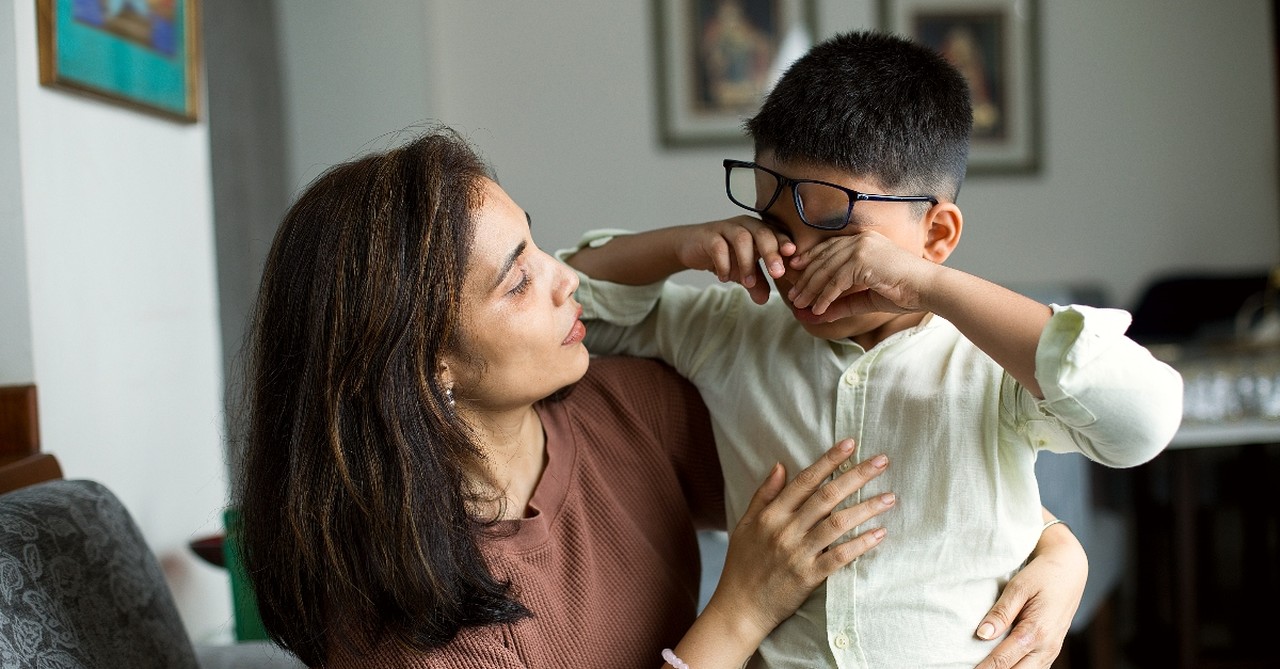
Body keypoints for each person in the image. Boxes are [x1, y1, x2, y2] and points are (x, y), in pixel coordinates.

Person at [234, 126, 1087, 669]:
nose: (569, 281)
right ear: (427, 367)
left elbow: (866, 468)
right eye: (518, 280)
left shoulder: (619, 407)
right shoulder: (395, 624)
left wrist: (1054, 548)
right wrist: (742, 608)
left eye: (539, 244)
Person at [564, 30, 1182, 668]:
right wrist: (678, 246)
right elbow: (565, 302)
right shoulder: (727, 326)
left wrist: (927, 286)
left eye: (838, 237)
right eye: (776, 229)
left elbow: (1143, 422)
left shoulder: (991, 364)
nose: (796, 264)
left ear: (936, 234)